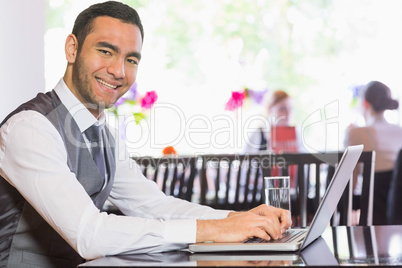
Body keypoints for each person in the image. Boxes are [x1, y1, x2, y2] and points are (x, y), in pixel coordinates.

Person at [0, 1, 291, 267]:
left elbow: (152, 205)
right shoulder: (30, 128)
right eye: (105, 51)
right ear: (72, 49)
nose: (118, 71)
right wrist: (215, 230)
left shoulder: (103, 135)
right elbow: (90, 234)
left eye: (131, 60)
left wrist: (240, 219)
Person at [344, 80, 402, 225]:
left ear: (364, 103)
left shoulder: (355, 133)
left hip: (373, 221)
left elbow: (350, 183)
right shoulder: (399, 131)